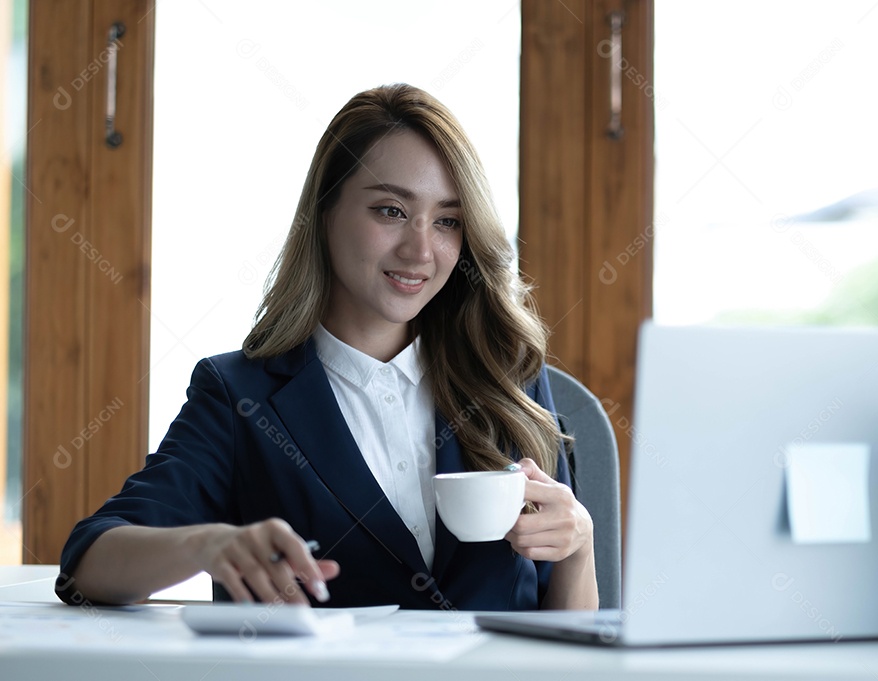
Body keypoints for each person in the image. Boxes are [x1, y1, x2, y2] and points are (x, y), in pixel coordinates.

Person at [55, 84, 599, 612]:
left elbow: (572, 648)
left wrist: (579, 548)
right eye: (390, 210)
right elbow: (90, 563)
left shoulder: (507, 375)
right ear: (325, 211)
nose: (420, 249)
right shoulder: (239, 396)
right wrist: (207, 545)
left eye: (448, 221)